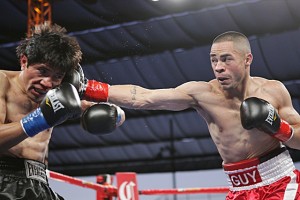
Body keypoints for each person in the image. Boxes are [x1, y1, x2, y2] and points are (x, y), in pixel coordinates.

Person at [72, 31, 300, 199]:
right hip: (238, 188)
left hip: (279, 181)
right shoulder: (203, 94)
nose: (218, 67)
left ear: (247, 59)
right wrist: (88, 88)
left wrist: (278, 126)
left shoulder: (273, 90)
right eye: (213, 60)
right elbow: (143, 97)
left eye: (226, 59)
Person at [0, 23, 125, 200]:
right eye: (42, 71)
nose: (47, 83)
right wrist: (41, 119)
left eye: (57, 76)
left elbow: (117, 112)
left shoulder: (57, 94)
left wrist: (116, 115)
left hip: (39, 184)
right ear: (24, 61)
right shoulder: (2, 81)